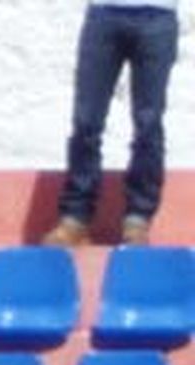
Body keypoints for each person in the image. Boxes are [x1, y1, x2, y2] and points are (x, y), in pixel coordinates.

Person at [43, 0, 179, 248]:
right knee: (86, 121)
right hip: (104, 14)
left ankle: (138, 218)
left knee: (148, 124)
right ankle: (75, 217)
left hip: (158, 16)